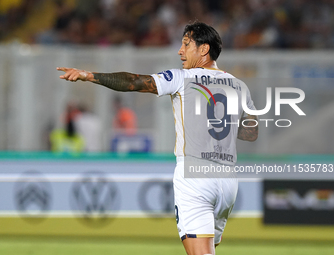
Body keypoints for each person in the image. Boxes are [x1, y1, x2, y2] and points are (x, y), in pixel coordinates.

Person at [57, 22, 258, 255]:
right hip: (228, 181)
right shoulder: (239, 85)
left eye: (186, 44)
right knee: (208, 250)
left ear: (204, 49)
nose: (180, 51)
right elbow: (251, 132)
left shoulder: (183, 77)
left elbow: (133, 82)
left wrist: (89, 75)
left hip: (195, 177)